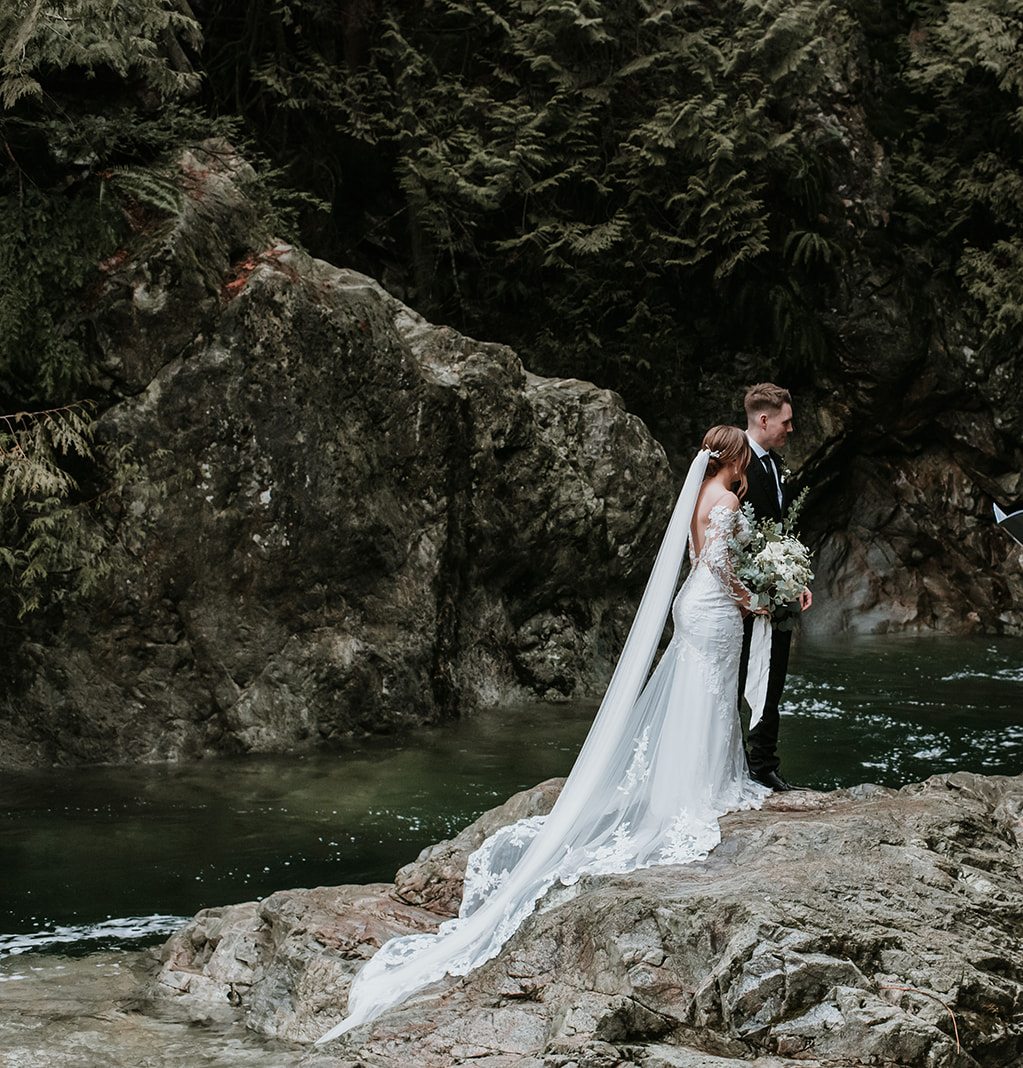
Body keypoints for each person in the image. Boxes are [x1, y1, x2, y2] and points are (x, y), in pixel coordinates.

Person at [318, 426, 769, 1043]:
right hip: (715, 605)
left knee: (701, 694)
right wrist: (753, 598)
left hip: (692, 604)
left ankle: (702, 781)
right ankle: (706, 787)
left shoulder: (698, 498)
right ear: (736, 458)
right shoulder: (729, 501)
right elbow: (719, 565)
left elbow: (700, 560)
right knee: (709, 694)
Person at [736, 383, 812, 792]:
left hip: (778, 594)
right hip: (743, 600)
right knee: (739, 678)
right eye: (786, 421)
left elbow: (782, 531)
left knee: (774, 675)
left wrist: (794, 577)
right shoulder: (734, 463)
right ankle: (738, 762)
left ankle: (763, 763)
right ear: (763, 420)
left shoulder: (776, 463)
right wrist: (746, 591)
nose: (790, 428)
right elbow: (723, 530)